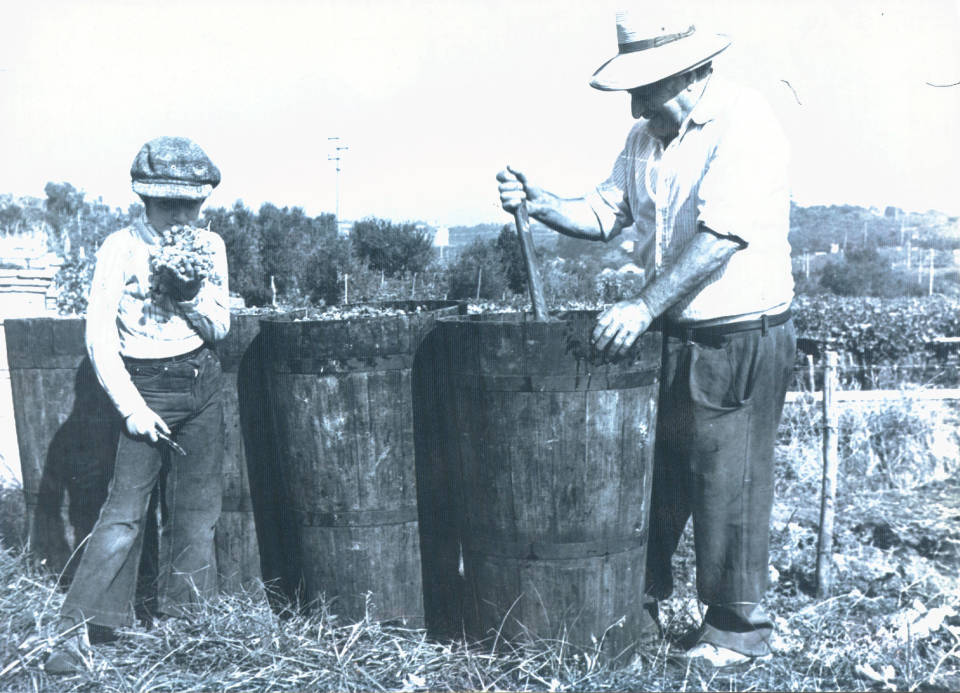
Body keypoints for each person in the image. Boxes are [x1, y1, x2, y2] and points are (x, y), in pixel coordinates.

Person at [497, 9, 796, 668]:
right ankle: (641, 604)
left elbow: (718, 240)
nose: (633, 101)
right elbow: (606, 210)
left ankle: (737, 634)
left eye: (645, 85)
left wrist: (640, 307)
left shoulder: (744, 123)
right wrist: (541, 200)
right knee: (659, 479)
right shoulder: (643, 139)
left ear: (689, 72)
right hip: (676, 334)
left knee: (729, 482)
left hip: (740, 335)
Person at [45, 136, 230, 675]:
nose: (179, 214)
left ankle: (187, 624)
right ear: (143, 199)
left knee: (198, 515)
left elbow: (221, 328)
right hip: (144, 386)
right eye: (167, 203)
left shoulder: (211, 247)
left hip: (201, 383)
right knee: (124, 513)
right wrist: (131, 408)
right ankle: (79, 630)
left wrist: (192, 294)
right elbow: (100, 338)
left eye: (190, 204)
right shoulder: (119, 248)